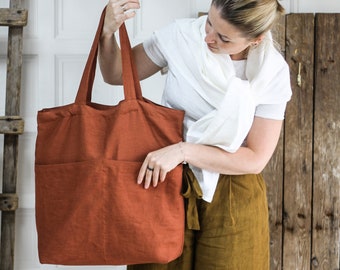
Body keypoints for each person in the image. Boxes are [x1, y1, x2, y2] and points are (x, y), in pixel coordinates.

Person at [99, 0, 292, 269]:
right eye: (209, 22)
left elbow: (255, 158)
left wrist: (182, 150)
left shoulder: (272, 72)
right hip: (164, 182)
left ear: (256, 40)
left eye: (223, 38)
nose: (207, 37)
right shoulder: (181, 37)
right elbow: (116, 73)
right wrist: (107, 32)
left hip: (233, 190)